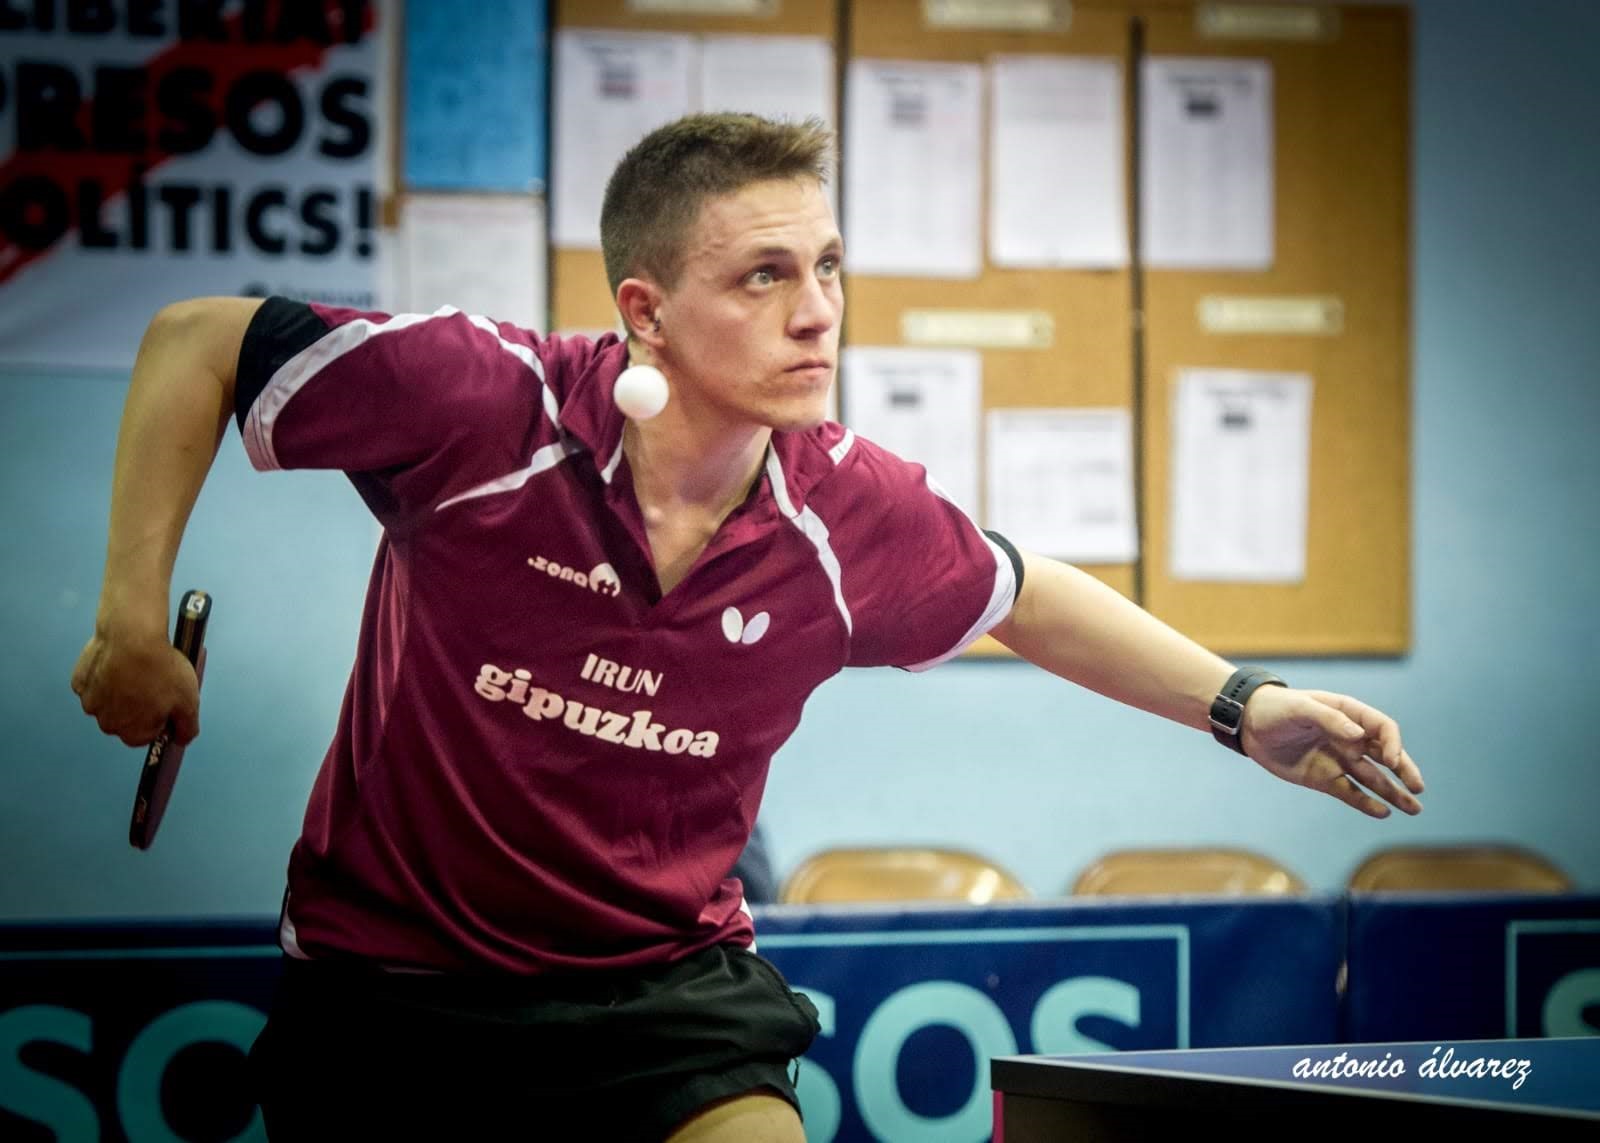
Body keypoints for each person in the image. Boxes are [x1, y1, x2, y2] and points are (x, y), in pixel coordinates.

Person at [71, 112, 1424, 1142]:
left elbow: (1029, 597)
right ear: (647, 312)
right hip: (392, 985)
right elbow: (199, 341)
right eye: (764, 276)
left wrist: (1244, 705)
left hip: (662, 992)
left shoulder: (846, 514)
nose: (818, 310)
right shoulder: (489, 408)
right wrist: (131, 622)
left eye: (827, 266)